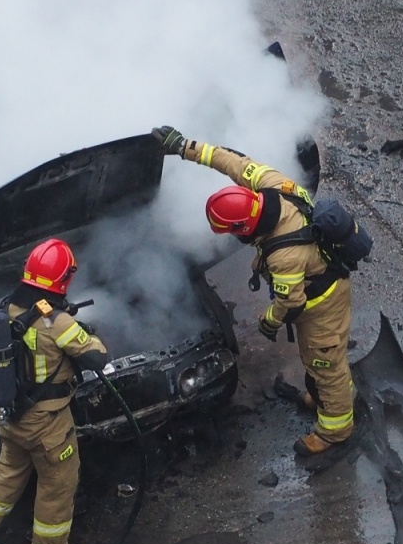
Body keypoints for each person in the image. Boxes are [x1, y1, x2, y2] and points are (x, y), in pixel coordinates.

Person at [152, 126, 355, 469]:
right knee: (321, 362)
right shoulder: (271, 184)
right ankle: (327, 398)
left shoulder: (284, 256)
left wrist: (268, 322)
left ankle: (335, 429)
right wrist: (184, 146)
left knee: (325, 360)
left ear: (245, 228)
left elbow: (290, 303)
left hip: (321, 304)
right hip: (319, 284)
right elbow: (232, 160)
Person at [0, 238, 109, 544]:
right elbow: (98, 357)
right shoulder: (57, 323)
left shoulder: (4, 309)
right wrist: (89, 334)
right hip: (48, 425)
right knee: (58, 483)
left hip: (11, 416)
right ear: (64, 279)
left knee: (7, 473)